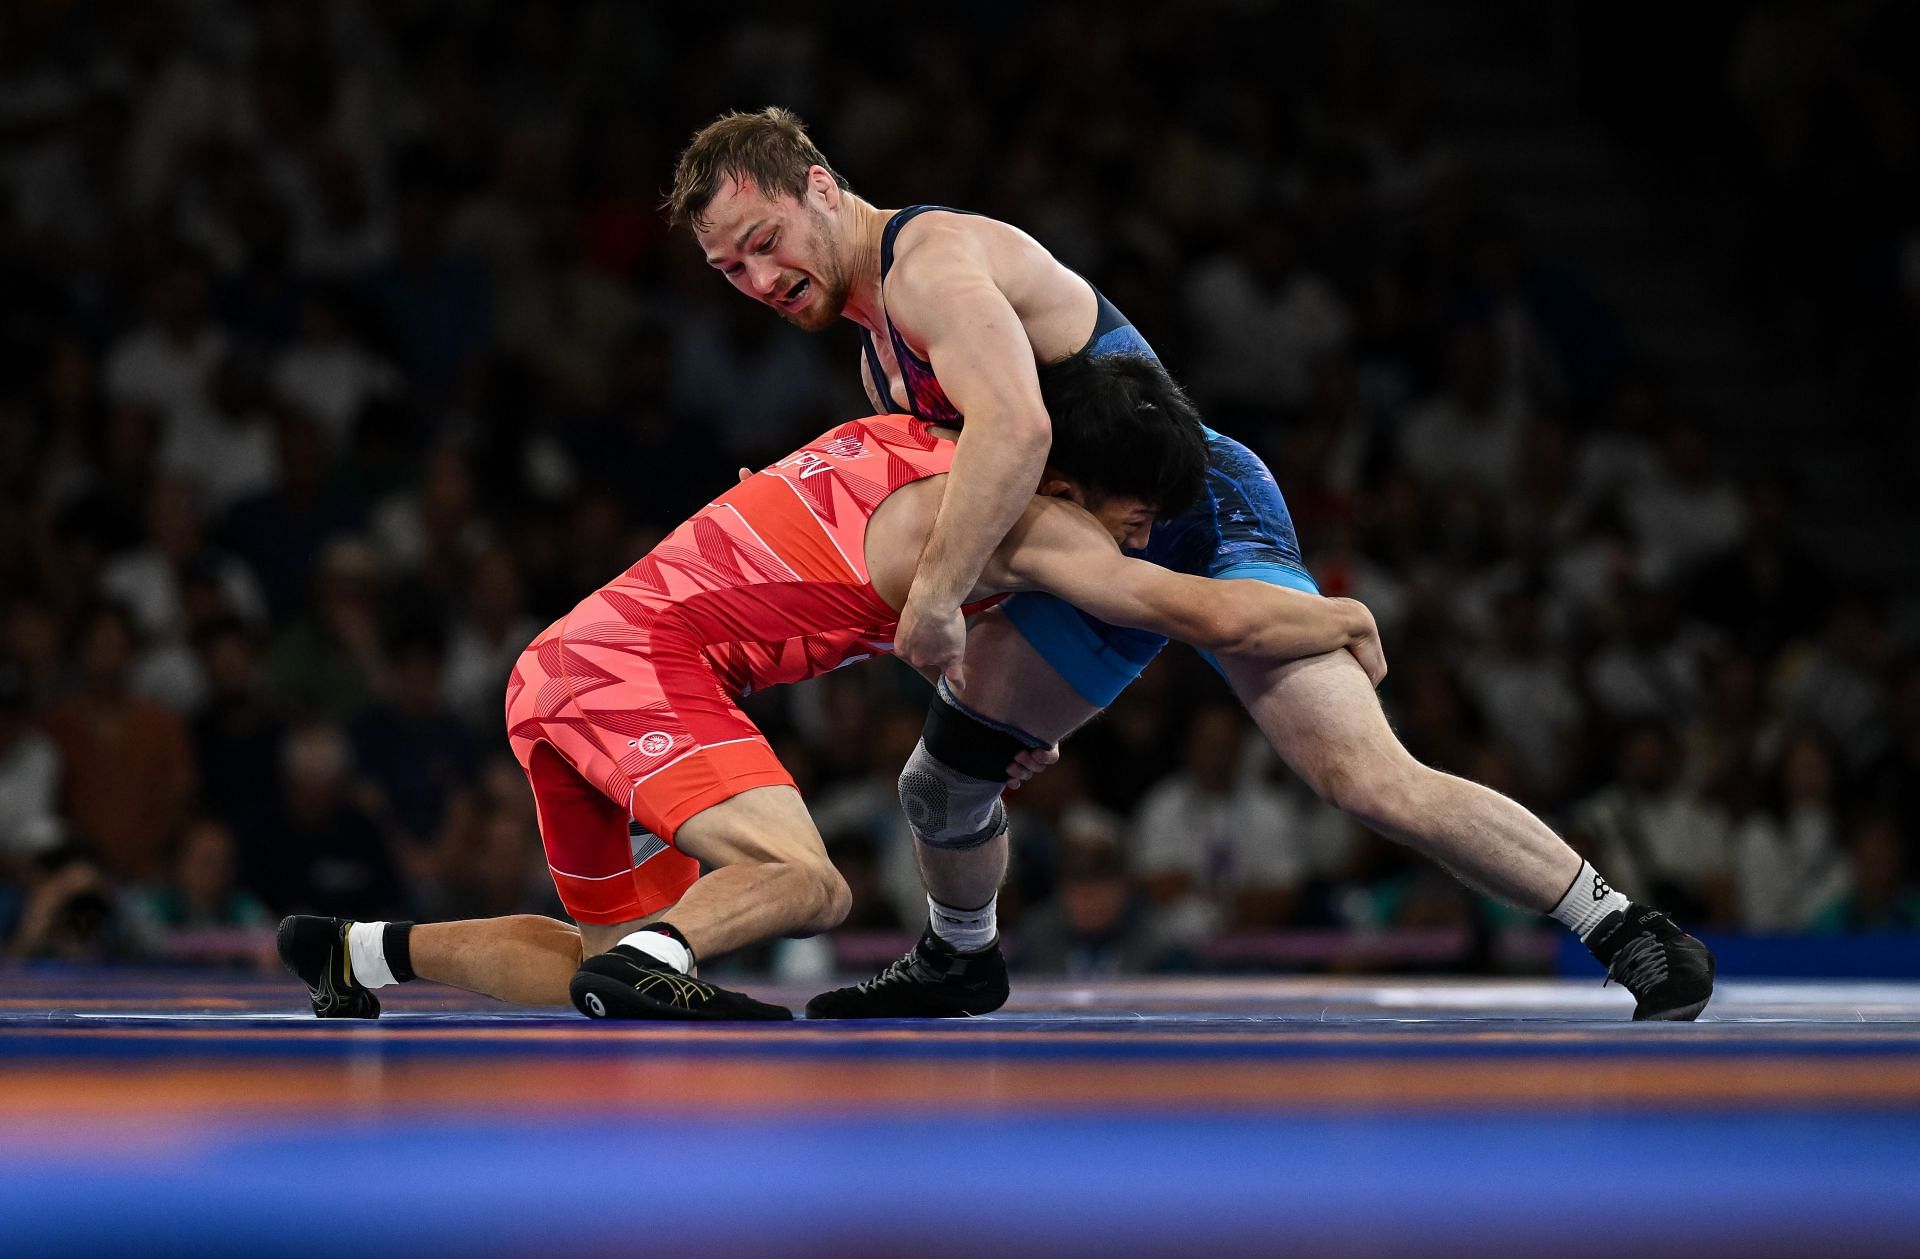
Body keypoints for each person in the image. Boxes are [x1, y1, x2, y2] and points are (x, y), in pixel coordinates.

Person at [667, 107, 1713, 1021]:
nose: (759, 281)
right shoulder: (874, 357)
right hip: (1087, 553)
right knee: (942, 784)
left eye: (763, 242)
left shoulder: (933, 264)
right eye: (730, 270)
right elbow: (996, 512)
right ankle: (960, 953)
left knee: (1361, 776)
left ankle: (1625, 926)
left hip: (1194, 511)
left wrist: (940, 600)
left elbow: (1020, 434)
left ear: (819, 185)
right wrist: (995, 659)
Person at [278, 353, 1383, 1020]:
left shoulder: (908, 433)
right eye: (1132, 519)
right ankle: (654, 960)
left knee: (598, 951)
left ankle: (359, 950)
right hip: (637, 668)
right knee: (809, 883)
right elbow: (1202, 611)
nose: (1135, 540)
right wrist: (1343, 611)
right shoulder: (1027, 519)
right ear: (1061, 480)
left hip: (563, 665)